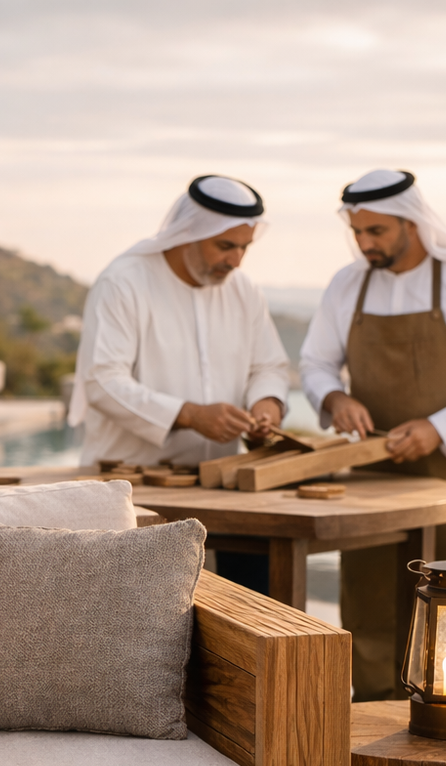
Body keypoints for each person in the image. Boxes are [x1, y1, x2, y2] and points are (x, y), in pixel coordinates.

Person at [299, 169, 446, 700]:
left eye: (377, 232)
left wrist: (439, 428)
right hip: (373, 481)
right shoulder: (347, 284)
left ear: (412, 222)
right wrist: (333, 398)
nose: (365, 244)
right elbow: (315, 364)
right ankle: (374, 748)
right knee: (369, 609)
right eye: (358, 233)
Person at [69, 174, 292, 591]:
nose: (236, 260)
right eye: (225, 246)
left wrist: (267, 405)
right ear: (188, 234)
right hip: (135, 492)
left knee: (251, 617)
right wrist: (189, 415)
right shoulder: (124, 282)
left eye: (244, 247)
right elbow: (101, 379)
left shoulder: (243, 291)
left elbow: (270, 367)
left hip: (225, 491)